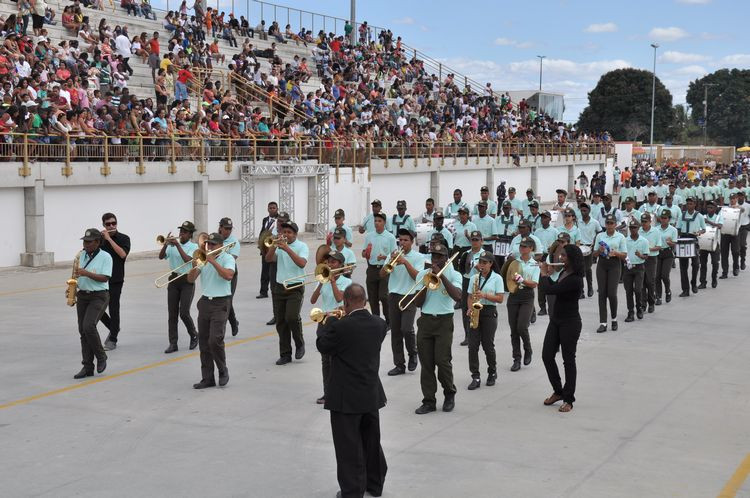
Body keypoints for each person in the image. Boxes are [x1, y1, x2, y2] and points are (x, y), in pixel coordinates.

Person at [316, 284, 388, 498]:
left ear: (346, 302)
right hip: (370, 392)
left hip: (346, 396)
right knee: (371, 441)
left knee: (348, 447)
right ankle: (375, 485)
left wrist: (329, 321)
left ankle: (352, 491)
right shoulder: (379, 324)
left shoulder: (340, 326)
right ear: (365, 301)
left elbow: (323, 346)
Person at [413, 242, 462, 415]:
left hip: (444, 321)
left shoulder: (455, 275)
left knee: (442, 361)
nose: (435, 259)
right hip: (426, 320)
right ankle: (429, 401)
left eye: (439, 257)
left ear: (446, 258)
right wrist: (428, 282)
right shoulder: (422, 274)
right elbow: (418, 303)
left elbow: (457, 296)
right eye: (433, 256)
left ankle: (449, 393)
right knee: (426, 364)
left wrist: (441, 277)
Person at [187, 232, 236, 389]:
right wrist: (195, 266)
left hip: (221, 303)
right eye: (208, 244)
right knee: (204, 343)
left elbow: (228, 276)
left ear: (220, 246)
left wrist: (212, 261)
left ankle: (223, 370)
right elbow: (190, 279)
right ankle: (207, 378)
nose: (210, 247)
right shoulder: (203, 258)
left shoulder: (227, 258)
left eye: (213, 244)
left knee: (215, 340)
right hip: (205, 303)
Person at [540, 244, 584, 413]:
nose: (560, 258)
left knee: (568, 360)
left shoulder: (575, 279)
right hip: (556, 320)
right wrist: (549, 275)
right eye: (561, 255)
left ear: (572, 259)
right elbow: (554, 286)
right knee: (547, 356)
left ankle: (568, 399)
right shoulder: (564, 273)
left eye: (564, 256)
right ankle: (558, 391)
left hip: (570, 323)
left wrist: (544, 274)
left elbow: (550, 290)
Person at [310, 250, 352, 404]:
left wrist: (333, 282)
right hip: (324, 322)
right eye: (328, 262)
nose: (329, 264)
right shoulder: (323, 279)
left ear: (340, 265)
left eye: (333, 262)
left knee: (339, 360)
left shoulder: (347, 283)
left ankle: (340, 391)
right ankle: (327, 392)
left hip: (339, 322)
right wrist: (321, 282)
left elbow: (340, 298)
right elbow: (313, 300)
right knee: (325, 361)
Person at [266, 220, 309, 365]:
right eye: (284, 232)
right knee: (281, 322)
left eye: (289, 232)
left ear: (295, 234)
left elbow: (302, 263)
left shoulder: (302, 246)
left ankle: (299, 343)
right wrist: (273, 246)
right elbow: (268, 259)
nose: (286, 235)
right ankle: (285, 354)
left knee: (291, 317)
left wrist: (287, 249)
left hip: (295, 286)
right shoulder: (279, 246)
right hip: (279, 286)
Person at [72, 228, 112, 379]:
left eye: (89, 242)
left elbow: (105, 278)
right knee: (83, 331)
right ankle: (87, 367)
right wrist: (72, 287)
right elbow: (77, 274)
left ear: (97, 242)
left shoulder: (106, 257)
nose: (86, 244)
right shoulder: (81, 255)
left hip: (99, 296)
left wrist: (85, 273)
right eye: (84, 241)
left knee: (89, 326)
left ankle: (101, 357)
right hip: (83, 295)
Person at [382, 229, 423, 375]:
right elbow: (382, 273)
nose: (403, 243)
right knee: (396, 332)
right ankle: (399, 364)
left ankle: (413, 353)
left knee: (406, 328)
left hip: (409, 295)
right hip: (393, 295)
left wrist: (405, 262)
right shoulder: (392, 255)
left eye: (406, 240)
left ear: (412, 242)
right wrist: (390, 262)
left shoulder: (418, 257)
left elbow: (417, 277)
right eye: (401, 240)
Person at [158, 221, 199, 353]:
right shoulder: (172, 245)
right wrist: (165, 245)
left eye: (185, 232)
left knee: (184, 312)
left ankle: (194, 335)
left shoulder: (194, 246)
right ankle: (173, 343)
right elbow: (161, 257)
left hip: (187, 280)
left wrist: (177, 246)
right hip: (174, 280)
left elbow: (188, 260)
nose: (181, 234)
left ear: (190, 234)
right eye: (181, 231)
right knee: (172, 314)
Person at [466, 251, 504, 390]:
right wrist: (470, 308)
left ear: (491, 264)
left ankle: (492, 372)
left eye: (484, 262)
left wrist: (485, 295)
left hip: (489, 311)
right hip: (476, 311)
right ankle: (475, 376)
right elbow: (470, 296)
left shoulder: (497, 278)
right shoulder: (474, 278)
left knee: (488, 345)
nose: (481, 265)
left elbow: (500, 298)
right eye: (480, 262)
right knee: (473, 346)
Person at [507, 238, 540, 372]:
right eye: (521, 246)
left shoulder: (534, 265)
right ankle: (517, 359)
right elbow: (507, 277)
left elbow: (534, 284)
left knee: (522, 326)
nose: (522, 248)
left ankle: (528, 348)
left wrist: (522, 280)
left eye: (525, 246)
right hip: (514, 295)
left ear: (531, 249)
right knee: (514, 330)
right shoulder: (515, 262)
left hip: (527, 296)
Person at [99, 212, 130, 351]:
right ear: (103, 225)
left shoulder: (124, 238)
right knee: (98, 308)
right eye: (108, 224)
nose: (111, 226)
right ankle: (114, 327)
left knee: (113, 308)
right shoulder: (99, 239)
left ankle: (113, 339)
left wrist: (109, 240)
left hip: (116, 279)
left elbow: (122, 254)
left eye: (114, 223)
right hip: (100, 279)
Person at [593, 214, 627, 333]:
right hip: (602, 264)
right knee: (602, 293)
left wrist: (616, 253)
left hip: (614, 264)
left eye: (612, 223)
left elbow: (624, 255)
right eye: (607, 223)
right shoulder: (600, 236)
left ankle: (614, 318)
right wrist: (599, 251)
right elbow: (594, 254)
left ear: (615, 224)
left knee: (612, 293)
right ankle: (603, 322)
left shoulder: (620, 237)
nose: (609, 225)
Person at [363, 212, 397, 325]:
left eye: (379, 221)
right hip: (372, 268)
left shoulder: (390, 237)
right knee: (373, 298)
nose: (377, 223)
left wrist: (385, 257)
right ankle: (376, 321)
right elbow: (364, 253)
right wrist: (365, 253)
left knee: (383, 296)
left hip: (384, 269)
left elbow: (394, 255)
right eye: (375, 221)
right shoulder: (369, 236)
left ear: (384, 223)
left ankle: (389, 321)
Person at [677, 197, 705, 297]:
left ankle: (693, 282)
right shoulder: (682, 215)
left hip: (694, 239)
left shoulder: (699, 216)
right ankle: (685, 289)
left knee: (696, 264)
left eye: (691, 203)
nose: (689, 205)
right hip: (683, 239)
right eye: (688, 203)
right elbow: (678, 228)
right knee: (683, 266)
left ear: (695, 204)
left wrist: (699, 232)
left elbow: (704, 229)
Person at [623, 219, 649, 323]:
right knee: (628, 291)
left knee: (638, 289)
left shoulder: (644, 241)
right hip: (628, 267)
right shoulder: (625, 240)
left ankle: (639, 307)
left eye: (635, 228)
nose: (633, 230)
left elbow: (646, 256)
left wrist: (641, 255)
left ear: (638, 228)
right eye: (631, 228)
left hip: (639, 267)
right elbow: (622, 253)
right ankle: (630, 312)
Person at [219, 217, 241, 335]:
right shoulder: (215, 238)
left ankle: (229, 325)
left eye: (230, 229)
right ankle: (234, 321)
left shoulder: (234, 242)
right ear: (220, 228)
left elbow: (232, 259)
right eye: (225, 228)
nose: (228, 231)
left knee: (228, 300)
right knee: (224, 300)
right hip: (216, 271)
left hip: (230, 272)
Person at [638, 213, 662, 313]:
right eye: (642, 222)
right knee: (642, 282)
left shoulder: (655, 231)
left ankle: (651, 302)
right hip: (640, 259)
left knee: (650, 282)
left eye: (645, 222)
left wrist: (649, 249)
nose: (643, 224)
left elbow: (659, 246)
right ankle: (643, 304)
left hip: (651, 258)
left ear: (650, 221)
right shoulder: (639, 231)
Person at [577, 203, 601, 298]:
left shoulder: (595, 222)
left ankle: (590, 287)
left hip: (589, 247)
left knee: (587, 268)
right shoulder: (578, 222)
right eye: (581, 210)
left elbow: (599, 233)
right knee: (579, 269)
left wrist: (595, 244)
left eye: (585, 210)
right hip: (580, 247)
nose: (583, 212)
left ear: (589, 211)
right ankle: (581, 291)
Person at [655, 209, 678, 305]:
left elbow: (675, 244)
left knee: (664, 275)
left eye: (665, 218)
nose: (663, 220)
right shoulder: (656, 229)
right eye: (662, 218)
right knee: (657, 276)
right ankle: (658, 297)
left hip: (668, 253)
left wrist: (670, 243)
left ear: (669, 219)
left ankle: (668, 291)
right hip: (658, 253)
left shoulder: (673, 230)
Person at [699, 201, 722, 289]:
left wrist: (708, 222)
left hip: (715, 244)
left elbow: (720, 226)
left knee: (715, 263)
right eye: (708, 207)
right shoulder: (703, 217)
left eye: (711, 207)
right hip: (704, 243)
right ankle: (703, 282)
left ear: (715, 209)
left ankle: (714, 279)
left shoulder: (718, 217)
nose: (709, 209)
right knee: (703, 264)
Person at [258, 201, 278, 299]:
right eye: (270, 208)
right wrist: (260, 244)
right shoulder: (265, 220)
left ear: (277, 209)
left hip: (274, 249)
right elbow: (262, 232)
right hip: (265, 249)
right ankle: (263, 291)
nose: (272, 209)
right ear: (268, 209)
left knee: (273, 272)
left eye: (274, 208)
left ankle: (275, 290)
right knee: (264, 271)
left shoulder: (280, 220)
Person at [720, 193, 740, 279]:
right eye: (731, 198)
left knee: (735, 251)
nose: (732, 200)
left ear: (737, 199)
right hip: (725, 233)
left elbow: (743, 210)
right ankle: (725, 272)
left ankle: (736, 267)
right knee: (724, 253)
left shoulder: (739, 208)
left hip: (735, 233)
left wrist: (737, 207)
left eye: (734, 198)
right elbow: (720, 218)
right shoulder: (725, 209)